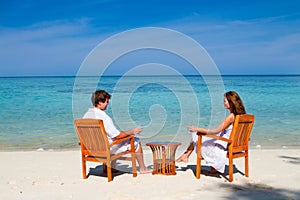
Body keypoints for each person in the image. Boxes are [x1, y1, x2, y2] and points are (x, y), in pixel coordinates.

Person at [176, 91, 246, 173]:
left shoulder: (231, 116)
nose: (223, 103)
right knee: (201, 137)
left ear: (231, 102)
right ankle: (186, 155)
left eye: (225, 101)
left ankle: (186, 155)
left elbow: (215, 131)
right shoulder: (242, 116)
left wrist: (197, 129)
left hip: (225, 144)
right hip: (233, 144)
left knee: (196, 134)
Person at [83, 89, 152, 174]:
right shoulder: (103, 117)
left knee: (109, 139)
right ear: (100, 102)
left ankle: (109, 168)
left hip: (90, 148)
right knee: (136, 141)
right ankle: (143, 168)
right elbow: (117, 135)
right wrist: (132, 131)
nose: (108, 104)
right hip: (105, 149)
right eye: (107, 101)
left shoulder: (86, 115)